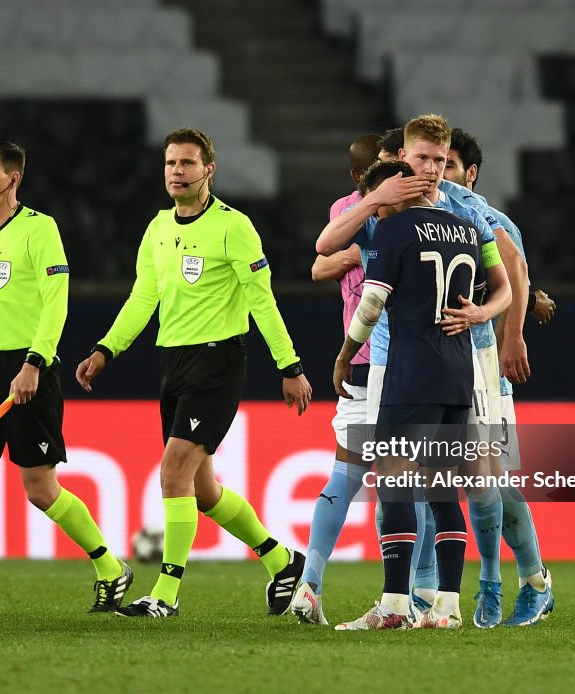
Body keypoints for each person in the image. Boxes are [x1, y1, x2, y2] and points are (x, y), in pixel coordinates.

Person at [76, 128, 312, 618]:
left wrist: (289, 366)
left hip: (218, 360)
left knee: (173, 470)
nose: (177, 172)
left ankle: (166, 594)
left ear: (209, 169)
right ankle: (283, 561)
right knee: (202, 490)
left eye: (187, 163)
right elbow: (144, 297)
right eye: (170, 164)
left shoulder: (234, 226)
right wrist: (106, 349)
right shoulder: (158, 228)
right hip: (174, 362)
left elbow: (261, 300)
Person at [0, 141, 130, 613]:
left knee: (40, 489)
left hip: (29, 369)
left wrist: (34, 364)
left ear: (14, 179)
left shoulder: (40, 230)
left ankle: (110, 566)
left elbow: (54, 301)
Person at [331, 155, 511, 631]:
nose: (375, 212)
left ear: (396, 191)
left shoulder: (394, 230)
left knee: (393, 482)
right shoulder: (465, 230)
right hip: (457, 372)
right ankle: (447, 607)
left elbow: (371, 303)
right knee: (442, 488)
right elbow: (490, 291)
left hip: (411, 373)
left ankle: (393, 605)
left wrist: (346, 352)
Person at [442, 128, 555, 626]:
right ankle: (429, 592)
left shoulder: (479, 211)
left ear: (470, 173)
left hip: (481, 365)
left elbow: (513, 268)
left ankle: (530, 581)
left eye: (448, 164)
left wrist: (514, 336)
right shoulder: (420, 211)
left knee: (494, 482)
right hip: (431, 363)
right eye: (432, 162)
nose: (438, 173)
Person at [291, 134, 382, 625]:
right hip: (394, 365)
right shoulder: (399, 211)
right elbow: (321, 264)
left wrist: (346, 258)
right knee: (411, 484)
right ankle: (416, 596)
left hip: (358, 360)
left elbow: (321, 262)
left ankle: (310, 584)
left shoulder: (345, 210)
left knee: (345, 475)